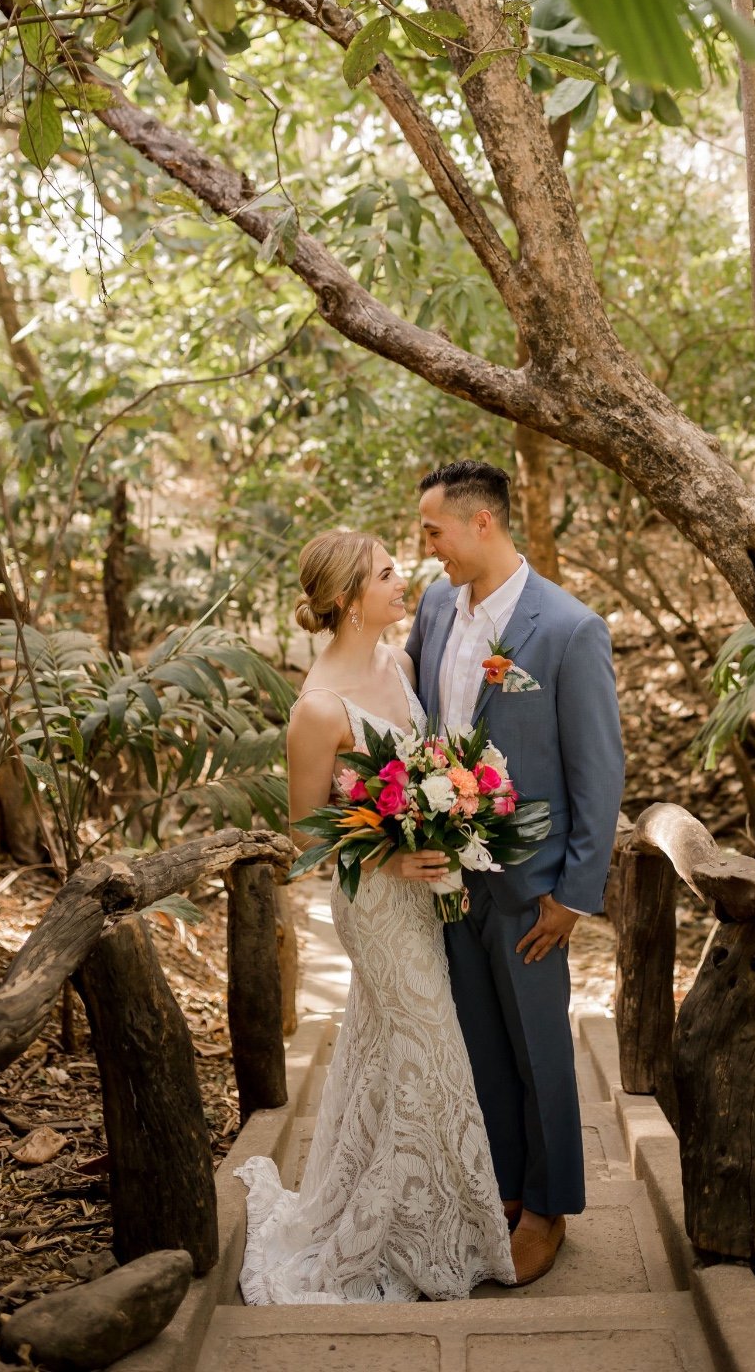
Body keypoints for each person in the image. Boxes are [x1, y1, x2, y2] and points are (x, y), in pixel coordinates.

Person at [235, 529, 515, 1304]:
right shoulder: (317, 710)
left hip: (428, 896)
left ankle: (421, 1221)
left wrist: (460, 807)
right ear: (347, 600)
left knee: (393, 1057)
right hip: (376, 904)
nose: (405, 581)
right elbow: (300, 834)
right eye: (388, 574)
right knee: (433, 1052)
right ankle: (413, 1242)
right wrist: (390, 856)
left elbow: (429, 765)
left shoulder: (398, 661)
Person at [407, 460, 625, 1286]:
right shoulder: (435, 606)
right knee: (480, 1044)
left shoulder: (568, 630)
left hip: (531, 886)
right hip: (451, 875)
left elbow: (599, 774)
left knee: (540, 1051)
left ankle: (549, 1207)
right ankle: (499, 1191)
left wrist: (573, 895)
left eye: (434, 531)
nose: (427, 549)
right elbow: (428, 724)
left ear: (483, 523)